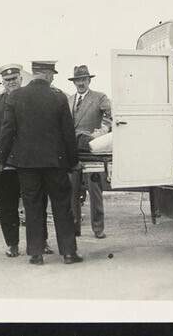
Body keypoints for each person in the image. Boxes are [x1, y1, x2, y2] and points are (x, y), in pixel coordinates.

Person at [0, 61, 82, 265]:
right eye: (53, 74)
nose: (53, 78)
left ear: (34, 74)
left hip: (27, 165)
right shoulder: (58, 96)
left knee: (32, 206)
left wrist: (0, 160)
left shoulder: (16, 97)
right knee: (62, 205)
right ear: (47, 74)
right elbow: (68, 133)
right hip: (55, 163)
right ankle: (69, 253)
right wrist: (74, 161)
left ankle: (35, 254)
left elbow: (7, 131)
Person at [67, 65, 112, 239]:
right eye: (77, 80)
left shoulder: (99, 97)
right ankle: (74, 227)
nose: (80, 83)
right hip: (73, 151)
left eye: (83, 80)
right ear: (74, 82)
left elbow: (111, 115)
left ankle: (98, 228)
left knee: (95, 190)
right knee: (73, 190)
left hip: (92, 151)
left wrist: (100, 133)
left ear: (89, 80)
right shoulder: (69, 100)